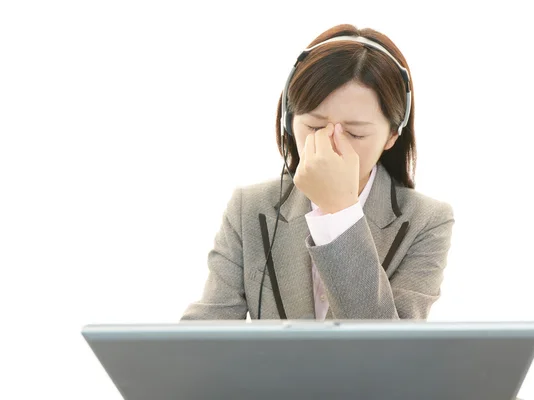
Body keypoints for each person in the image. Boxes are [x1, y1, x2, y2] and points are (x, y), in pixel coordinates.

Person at [181, 24, 454, 321]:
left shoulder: (427, 221)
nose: (331, 144)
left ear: (392, 135)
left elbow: (387, 350)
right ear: (289, 119)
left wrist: (340, 213)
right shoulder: (249, 208)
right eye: (313, 127)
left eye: (355, 133)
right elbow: (205, 336)